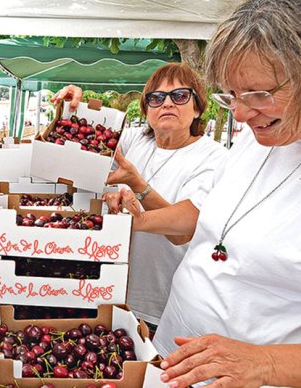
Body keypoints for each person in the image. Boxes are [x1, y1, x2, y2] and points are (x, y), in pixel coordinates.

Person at [105, 0, 301, 387]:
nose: (243, 114)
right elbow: (210, 222)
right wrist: (139, 220)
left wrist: (263, 363)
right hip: (170, 358)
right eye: (232, 95)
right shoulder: (263, 133)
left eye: (259, 95)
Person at [52, 62, 227, 333]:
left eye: (179, 96)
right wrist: (72, 106)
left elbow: (185, 226)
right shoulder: (135, 141)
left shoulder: (214, 157)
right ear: (146, 110)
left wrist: (137, 187)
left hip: (161, 305)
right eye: (156, 98)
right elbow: (80, 146)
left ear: (198, 107)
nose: (166, 104)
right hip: (106, 292)